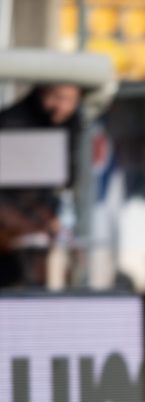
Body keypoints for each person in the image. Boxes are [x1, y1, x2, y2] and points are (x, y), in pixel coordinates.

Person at [0, 84, 82, 288]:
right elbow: (15, 188)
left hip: (32, 224)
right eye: (59, 97)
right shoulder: (12, 123)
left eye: (70, 100)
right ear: (42, 93)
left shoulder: (71, 124)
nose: (63, 107)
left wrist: (47, 219)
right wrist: (31, 222)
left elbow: (59, 181)